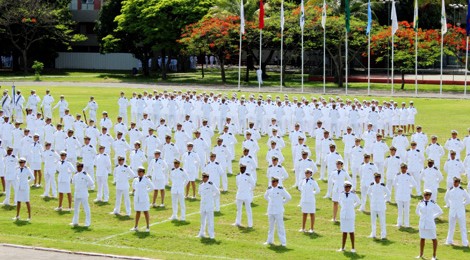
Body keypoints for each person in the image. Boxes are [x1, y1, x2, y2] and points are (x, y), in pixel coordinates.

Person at [415, 189, 443, 260]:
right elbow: (416, 211)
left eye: (428, 195)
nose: (426, 196)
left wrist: (433, 217)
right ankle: (421, 254)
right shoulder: (420, 203)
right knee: (422, 238)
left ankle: (434, 255)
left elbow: (440, 211)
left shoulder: (433, 203)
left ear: (430, 196)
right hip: (422, 223)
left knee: (433, 238)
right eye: (425, 195)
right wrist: (421, 216)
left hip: (430, 223)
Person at [264, 177, 291, 247]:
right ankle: (269, 241)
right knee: (271, 227)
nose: (272, 183)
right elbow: (265, 196)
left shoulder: (281, 189)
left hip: (278, 210)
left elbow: (288, 197)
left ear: (277, 182)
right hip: (270, 210)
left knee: (280, 227)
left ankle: (283, 242)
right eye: (272, 182)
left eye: (274, 182)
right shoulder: (269, 188)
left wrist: (282, 203)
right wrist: (270, 201)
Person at [444, 177, 470, 247]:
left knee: (462, 227)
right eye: (454, 182)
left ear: (459, 183)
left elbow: (468, 199)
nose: (455, 183)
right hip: (452, 210)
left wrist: (463, 204)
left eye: (456, 182)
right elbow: (446, 198)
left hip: (460, 210)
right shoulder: (450, 190)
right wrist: (449, 205)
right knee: (451, 227)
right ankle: (449, 240)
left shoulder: (462, 190)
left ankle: (465, 242)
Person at [338, 181, 360, 253]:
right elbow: (339, 201)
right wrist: (343, 207)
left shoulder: (353, 195)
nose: (346, 188)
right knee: (344, 231)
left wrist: (352, 207)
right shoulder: (341, 194)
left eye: (348, 187)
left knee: (351, 231)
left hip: (350, 215)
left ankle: (353, 248)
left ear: (350, 188)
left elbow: (358, 202)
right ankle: (342, 247)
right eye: (345, 187)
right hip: (343, 215)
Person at [367, 173, 391, 239]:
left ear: (380, 178)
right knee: (373, 221)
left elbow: (388, 193)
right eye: (375, 177)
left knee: (382, 220)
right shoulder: (372, 185)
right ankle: (373, 234)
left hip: (381, 206)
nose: (376, 179)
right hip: (374, 205)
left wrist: (383, 199)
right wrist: (372, 199)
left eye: (378, 177)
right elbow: (368, 193)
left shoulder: (382, 185)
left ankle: (383, 235)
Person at [131, 167, 155, 232]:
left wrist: (145, 191)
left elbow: (152, 187)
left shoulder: (146, 179)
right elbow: (133, 186)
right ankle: (135, 226)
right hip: (137, 198)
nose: (139, 173)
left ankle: (147, 227)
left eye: (140, 171)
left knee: (145, 211)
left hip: (144, 198)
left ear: (143, 172)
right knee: (137, 212)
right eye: (138, 171)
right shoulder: (135, 179)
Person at [71, 163, 94, 227]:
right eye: (77, 167)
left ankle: (87, 223)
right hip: (77, 193)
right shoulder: (75, 175)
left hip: (83, 194)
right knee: (76, 208)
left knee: (86, 208)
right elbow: (73, 182)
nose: (78, 168)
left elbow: (91, 183)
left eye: (79, 167)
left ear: (82, 167)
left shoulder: (85, 175)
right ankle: (75, 222)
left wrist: (85, 186)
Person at [197, 172, 220, 239]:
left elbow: (217, 192)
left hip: (209, 204)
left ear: (207, 178)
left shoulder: (211, 184)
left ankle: (211, 235)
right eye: (202, 177)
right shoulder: (201, 184)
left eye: (204, 177)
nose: (203, 178)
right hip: (203, 204)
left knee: (210, 220)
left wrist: (213, 198)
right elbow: (199, 193)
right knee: (202, 220)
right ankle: (201, 233)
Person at [394, 163, 416, 227]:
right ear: (400, 168)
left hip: (406, 195)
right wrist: (399, 187)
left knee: (406, 210)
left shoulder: (409, 176)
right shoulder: (397, 175)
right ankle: (399, 223)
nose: (403, 169)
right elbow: (394, 183)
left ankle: (407, 224)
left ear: (406, 169)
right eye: (402, 168)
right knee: (400, 210)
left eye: (404, 168)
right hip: (399, 195)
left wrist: (409, 187)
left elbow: (414, 184)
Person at [298, 168, 320, 233]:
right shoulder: (303, 180)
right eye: (306, 173)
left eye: (308, 173)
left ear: (311, 174)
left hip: (311, 200)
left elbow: (318, 190)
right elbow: (300, 187)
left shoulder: (313, 181)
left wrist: (312, 193)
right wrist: (303, 192)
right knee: (304, 213)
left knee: (312, 214)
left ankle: (312, 229)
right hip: (304, 199)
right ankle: (303, 228)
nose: (307, 174)